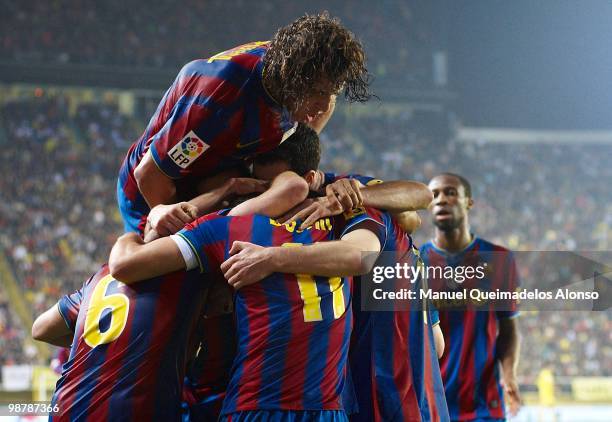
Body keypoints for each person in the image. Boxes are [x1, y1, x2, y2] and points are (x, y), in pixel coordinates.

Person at [117, 12, 371, 235]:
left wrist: (298, 162)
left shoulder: (301, 65)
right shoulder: (218, 103)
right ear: (291, 78)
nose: (325, 105)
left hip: (220, 169)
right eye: (318, 92)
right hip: (152, 191)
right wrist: (172, 228)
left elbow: (322, 106)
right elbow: (150, 175)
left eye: (332, 92)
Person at [219, 199, 450, 422]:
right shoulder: (412, 257)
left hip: (379, 396)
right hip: (425, 403)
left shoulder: (359, 235)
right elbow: (437, 345)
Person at [419, 173, 522, 422]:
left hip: (484, 407)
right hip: (431, 405)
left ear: (469, 202)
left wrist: (508, 375)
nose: (441, 200)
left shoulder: (499, 259)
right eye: (434, 195)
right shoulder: (415, 262)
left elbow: (508, 327)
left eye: (450, 193)